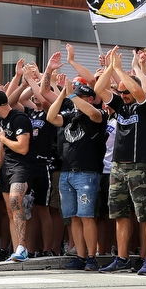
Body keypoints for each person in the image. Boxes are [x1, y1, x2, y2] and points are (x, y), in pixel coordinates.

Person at [94, 47, 146, 275]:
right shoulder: (121, 106)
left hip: (140, 166)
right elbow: (99, 89)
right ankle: (122, 258)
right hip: (118, 166)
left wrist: (122, 70)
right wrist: (110, 68)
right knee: (119, 214)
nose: (122, 96)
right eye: (120, 93)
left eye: (126, 92)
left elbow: (139, 92)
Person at [47, 82, 107, 271]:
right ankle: (80, 256)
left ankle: (91, 257)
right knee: (73, 217)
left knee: (86, 216)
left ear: (89, 99)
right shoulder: (71, 115)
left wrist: (73, 97)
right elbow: (51, 117)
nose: (75, 100)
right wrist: (64, 94)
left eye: (80, 97)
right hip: (67, 172)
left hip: (86, 172)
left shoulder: (98, 114)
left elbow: (94, 114)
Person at [0, 88, 34, 262]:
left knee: (16, 201)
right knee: (9, 210)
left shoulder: (19, 119)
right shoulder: (1, 121)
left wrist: (3, 139)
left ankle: (23, 247)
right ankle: (17, 250)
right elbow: (2, 151)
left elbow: (23, 148)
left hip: (21, 166)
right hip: (6, 167)